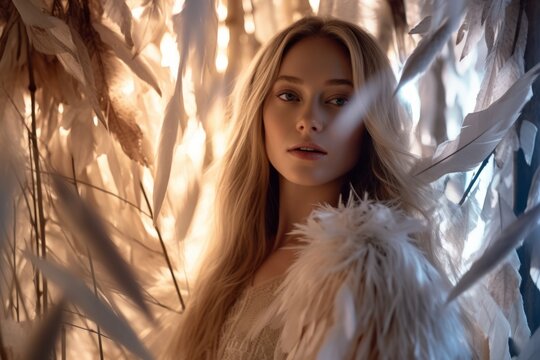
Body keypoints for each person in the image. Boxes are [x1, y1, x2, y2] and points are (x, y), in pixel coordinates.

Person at [165, 16, 472, 359]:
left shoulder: (372, 275)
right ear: (258, 110)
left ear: (370, 123)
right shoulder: (232, 266)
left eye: (339, 100)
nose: (309, 120)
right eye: (289, 94)